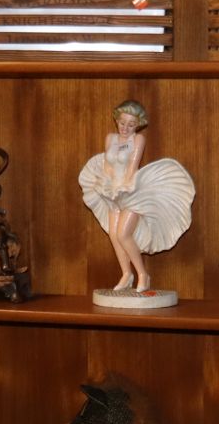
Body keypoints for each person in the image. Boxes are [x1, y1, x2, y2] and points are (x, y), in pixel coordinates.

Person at [76, 100, 194, 293]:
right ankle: (126, 274)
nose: (125, 127)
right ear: (117, 120)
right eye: (122, 123)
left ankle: (143, 275)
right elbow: (107, 164)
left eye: (131, 124)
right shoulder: (111, 138)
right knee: (114, 235)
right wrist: (106, 184)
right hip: (112, 191)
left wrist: (123, 188)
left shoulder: (138, 140)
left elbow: (132, 167)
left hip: (131, 191)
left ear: (137, 124)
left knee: (124, 233)